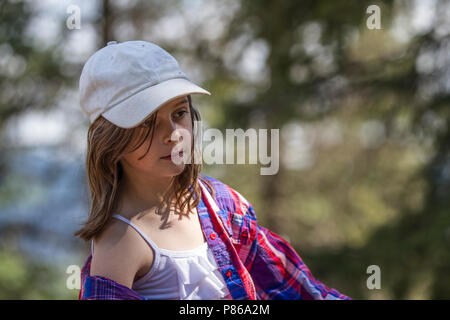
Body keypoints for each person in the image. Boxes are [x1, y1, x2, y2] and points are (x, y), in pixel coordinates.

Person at [74, 40, 351, 300]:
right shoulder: (119, 244)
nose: (173, 134)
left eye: (179, 113)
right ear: (110, 141)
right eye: (147, 122)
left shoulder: (221, 202)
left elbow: (296, 289)